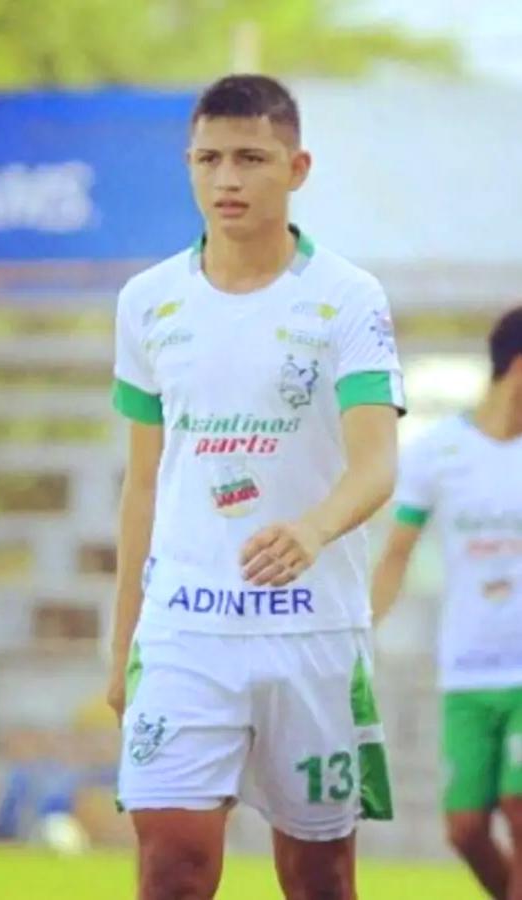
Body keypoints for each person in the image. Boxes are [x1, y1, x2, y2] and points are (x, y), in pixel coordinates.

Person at [108, 73, 404, 900]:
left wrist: (310, 529)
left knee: (318, 878)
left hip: (309, 630)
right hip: (184, 629)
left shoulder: (347, 298)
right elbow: (142, 485)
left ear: (296, 168)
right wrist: (123, 642)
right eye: (207, 159)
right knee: (171, 865)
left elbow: (376, 463)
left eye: (250, 158)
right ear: (188, 166)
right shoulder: (147, 302)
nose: (226, 179)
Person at [372, 306, 522, 900]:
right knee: (464, 828)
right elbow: (396, 554)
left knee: (520, 806)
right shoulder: (437, 452)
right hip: (466, 672)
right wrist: (358, 634)